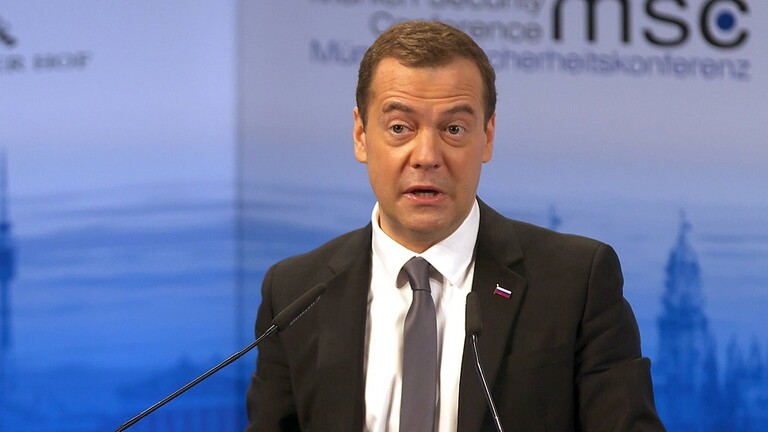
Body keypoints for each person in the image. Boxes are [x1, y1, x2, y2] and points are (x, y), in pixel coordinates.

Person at [245, 20, 665, 432]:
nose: (427, 156)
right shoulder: (295, 294)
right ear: (360, 134)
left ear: (487, 137)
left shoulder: (576, 282)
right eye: (399, 128)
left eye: (453, 129)